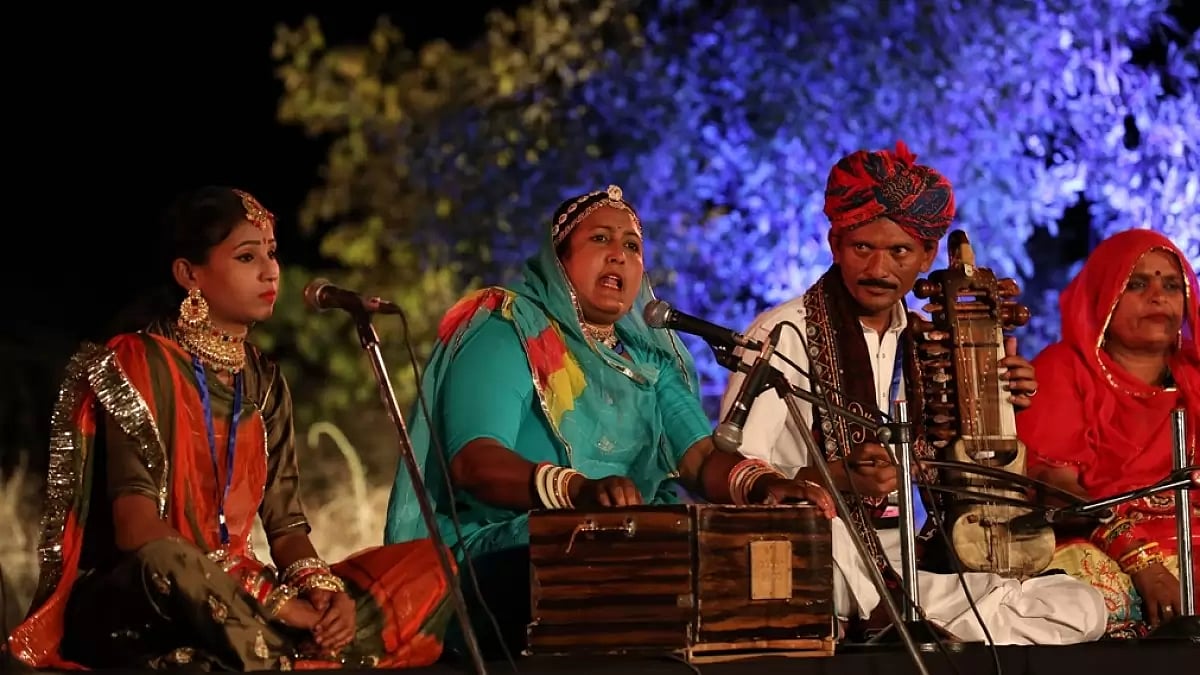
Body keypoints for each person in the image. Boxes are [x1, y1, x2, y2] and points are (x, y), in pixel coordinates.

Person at [7, 187, 453, 670]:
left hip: (245, 590)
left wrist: (322, 594)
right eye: (247, 256)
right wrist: (274, 602)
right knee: (169, 562)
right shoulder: (138, 362)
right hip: (147, 595)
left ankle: (287, 647)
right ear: (189, 274)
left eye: (273, 253)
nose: (271, 270)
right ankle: (284, 649)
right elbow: (137, 528)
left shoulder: (264, 382)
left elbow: (286, 527)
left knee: (435, 564)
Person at [384, 184, 836, 658]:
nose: (619, 256)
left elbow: (701, 458)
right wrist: (578, 492)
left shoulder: (648, 358)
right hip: (506, 558)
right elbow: (474, 462)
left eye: (632, 246)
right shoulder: (508, 328)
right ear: (559, 259)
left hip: (622, 556)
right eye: (600, 239)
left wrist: (763, 485)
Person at [719, 142, 1107, 645]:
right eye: (862, 248)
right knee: (819, 533)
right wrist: (831, 478)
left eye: (899, 252)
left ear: (926, 256)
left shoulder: (927, 344)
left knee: (1082, 608)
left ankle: (919, 627)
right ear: (835, 244)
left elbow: (960, 470)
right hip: (824, 560)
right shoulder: (783, 333)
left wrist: (1000, 402)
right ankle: (899, 624)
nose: (879, 268)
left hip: (910, 565)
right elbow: (737, 469)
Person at [1017, 228, 1200, 638]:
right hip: (1101, 546)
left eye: (1172, 285)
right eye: (1137, 284)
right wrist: (1141, 559)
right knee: (1088, 593)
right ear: (1104, 295)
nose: (1158, 295)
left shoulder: (1196, 378)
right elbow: (1056, 487)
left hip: (1191, 544)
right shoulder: (1063, 370)